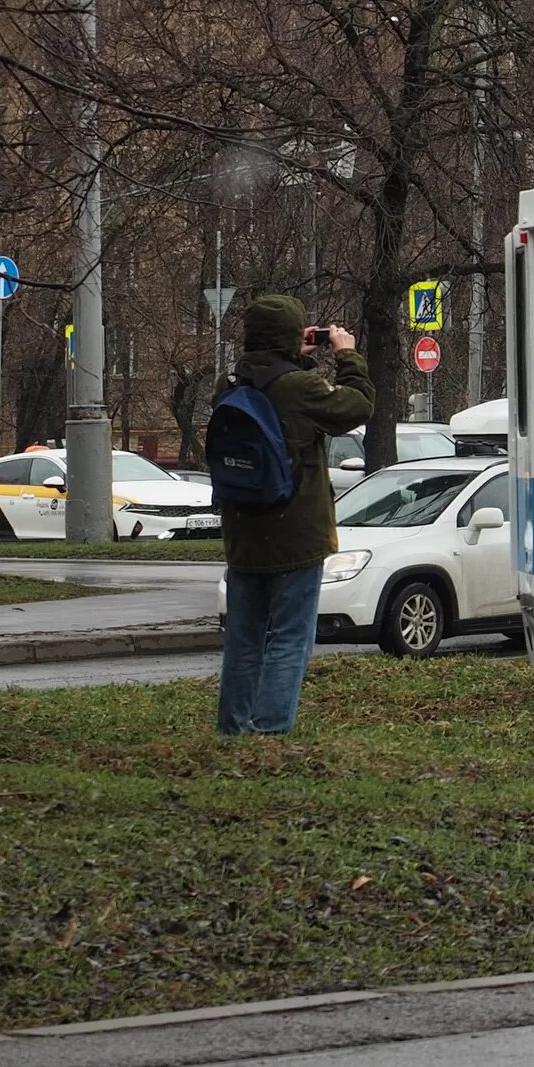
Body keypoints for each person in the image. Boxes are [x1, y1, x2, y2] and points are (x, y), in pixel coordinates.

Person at [219, 294, 371, 736]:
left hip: (243, 534)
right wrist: (347, 355)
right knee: (290, 640)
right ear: (292, 336)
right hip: (296, 533)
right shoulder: (298, 388)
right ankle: (269, 734)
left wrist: (292, 358)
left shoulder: (229, 384)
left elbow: (277, 393)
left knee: (244, 642)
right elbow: (357, 406)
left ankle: (232, 731)